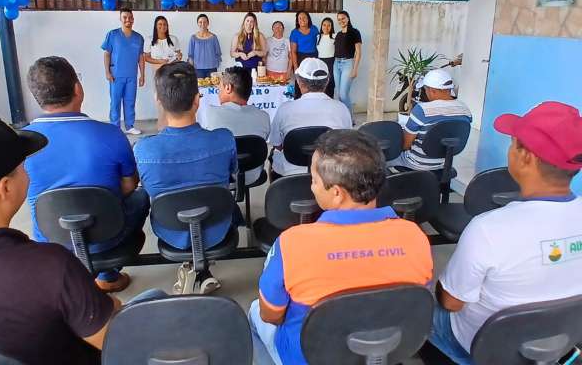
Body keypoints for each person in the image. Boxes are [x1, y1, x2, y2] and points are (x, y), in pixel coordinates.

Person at [0, 113, 121, 365]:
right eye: (23, 169)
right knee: (149, 299)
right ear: (5, 188)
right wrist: (111, 306)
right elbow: (122, 345)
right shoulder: (52, 267)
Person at [249, 129, 434, 365]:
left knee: (255, 312)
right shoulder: (415, 236)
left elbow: (271, 315)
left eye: (314, 180)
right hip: (382, 349)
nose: (312, 187)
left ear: (337, 193)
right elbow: (413, 303)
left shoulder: (291, 244)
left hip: (310, 358)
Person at [430, 101, 582, 365]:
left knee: (416, 306)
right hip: (559, 341)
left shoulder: (488, 228)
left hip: (484, 349)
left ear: (526, 157)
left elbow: (452, 302)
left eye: (513, 143)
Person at [24, 56, 150, 293]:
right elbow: (130, 185)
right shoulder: (111, 134)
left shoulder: (21, 143)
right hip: (107, 235)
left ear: (36, 96)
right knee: (141, 197)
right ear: (78, 89)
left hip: (51, 239)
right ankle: (107, 275)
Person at [134, 62, 244, 292]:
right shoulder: (224, 139)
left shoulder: (143, 149)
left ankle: (195, 269)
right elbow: (231, 173)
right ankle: (201, 270)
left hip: (171, 229)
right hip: (217, 226)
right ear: (197, 100)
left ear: (158, 99)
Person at [269, 58, 352, 179]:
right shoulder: (341, 109)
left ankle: (278, 190)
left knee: (273, 154)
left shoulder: (284, 109)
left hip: (292, 172)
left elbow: (276, 144)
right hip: (329, 172)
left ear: (299, 82)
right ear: (327, 81)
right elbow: (346, 144)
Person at [386, 69, 472, 171]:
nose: (425, 92)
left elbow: (405, 145)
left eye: (425, 89)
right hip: (444, 163)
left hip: (417, 163)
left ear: (432, 91)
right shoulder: (465, 109)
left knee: (380, 159)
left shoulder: (422, 110)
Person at [205, 66, 271, 185]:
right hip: (253, 175)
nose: (218, 92)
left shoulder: (211, 113)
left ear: (228, 88)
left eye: (219, 87)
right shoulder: (264, 116)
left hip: (222, 175)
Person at [101, 7, 145, 135]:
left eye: (130, 18)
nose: (127, 20)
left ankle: (130, 125)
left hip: (131, 75)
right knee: (115, 102)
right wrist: (107, 72)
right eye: (125, 17)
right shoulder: (113, 35)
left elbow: (141, 57)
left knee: (130, 101)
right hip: (116, 75)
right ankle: (115, 127)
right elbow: (107, 54)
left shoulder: (138, 38)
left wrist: (142, 75)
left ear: (133, 20)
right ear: (120, 19)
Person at [144, 16, 182, 130]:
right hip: (158, 70)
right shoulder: (150, 40)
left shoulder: (173, 39)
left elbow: (178, 54)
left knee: (172, 96)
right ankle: (162, 125)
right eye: (160, 24)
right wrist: (160, 61)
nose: (162, 26)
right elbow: (147, 58)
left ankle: (173, 124)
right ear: (156, 26)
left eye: (165, 24)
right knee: (161, 97)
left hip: (172, 70)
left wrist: (179, 56)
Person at [333, 11, 362, 119]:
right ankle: (343, 117)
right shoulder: (338, 35)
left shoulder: (355, 33)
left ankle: (350, 118)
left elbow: (358, 52)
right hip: (336, 64)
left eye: (343, 18)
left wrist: (355, 69)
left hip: (348, 64)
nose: (341, 21)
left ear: (348, 18)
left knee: (343, 94)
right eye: (339, 19)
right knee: (339, 94)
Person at [290, 11, 319, 99]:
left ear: (308, 19)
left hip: (313, 59)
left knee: (313, 84)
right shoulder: (295, 32)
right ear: (297, 21)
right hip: (300, 59)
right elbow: (293, 52)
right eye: (299, 18)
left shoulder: (314, 29)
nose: (302, 20)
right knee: (301, 85)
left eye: (304, 18)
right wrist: (296, 67)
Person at [188, 14, 222, 79]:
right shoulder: (193, 38)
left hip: (212, 68)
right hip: (198, 69)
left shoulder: (213, 37)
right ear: (197, 23)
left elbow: (218, 53)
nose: (202, 24)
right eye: (200, 22)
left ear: (208, 23)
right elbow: (191, 55)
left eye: (204, 22)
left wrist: (217, 63)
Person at [316, 17, 336, 98]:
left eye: (329, 25)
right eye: (324, 25)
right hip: (320, 63)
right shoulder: (318, 37)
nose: (326, 27)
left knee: (330, 84)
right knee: (321, 84)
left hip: (331, 63)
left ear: (332, 27)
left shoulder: (335, 36)